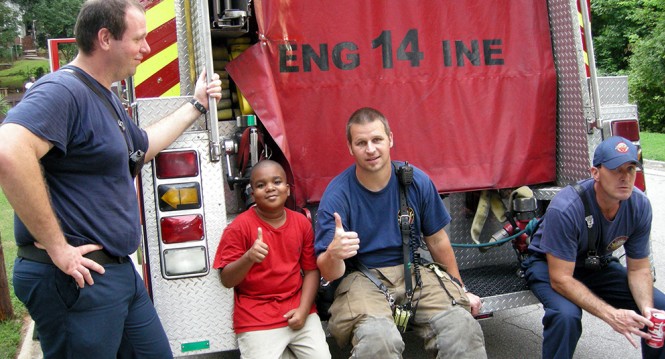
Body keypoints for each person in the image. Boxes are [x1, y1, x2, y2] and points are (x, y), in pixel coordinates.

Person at [0, 0, 222, 357]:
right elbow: (8, 151)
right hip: (78, 282)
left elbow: (142, 146)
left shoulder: (103, 94)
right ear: (105, 38)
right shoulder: (63, 90)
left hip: (116, 274)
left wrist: (195, 106)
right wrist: (59, 248)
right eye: (139, 39)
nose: (147, 49)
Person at [314, 107, 487, 358]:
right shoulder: (337, 194)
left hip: (413, 269)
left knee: (462, 329)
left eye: (377, 140)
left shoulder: (416, 181)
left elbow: (437, 240)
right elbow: (328, 272)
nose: (371, 149)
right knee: (378, 341)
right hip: (360, 277)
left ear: (390, 139)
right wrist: (334, 254)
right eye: (361, 143)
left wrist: (460, 287)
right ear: (351, 148)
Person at [522, 136, 665, 358]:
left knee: (661, 309)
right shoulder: (566, 207)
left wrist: (646, 308)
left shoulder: (639, 205)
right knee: (566, 316)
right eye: (616, 170)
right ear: (595, 173)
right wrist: (612, 315)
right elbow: (561, 279)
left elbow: (639, 268)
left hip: (594, 263)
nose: (625, 178)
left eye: (631, 169)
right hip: (550, 265)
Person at [214, 160, 331, 359]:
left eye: (276, 182)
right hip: (257, 317)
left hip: (298, 309)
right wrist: (248, 257)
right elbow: (226, 280)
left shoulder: (301, 223)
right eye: (261, 185)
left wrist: (303, 310)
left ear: (287, 190)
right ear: (252, 195)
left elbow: (311, 271)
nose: (270, 188)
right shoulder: (239, 227)